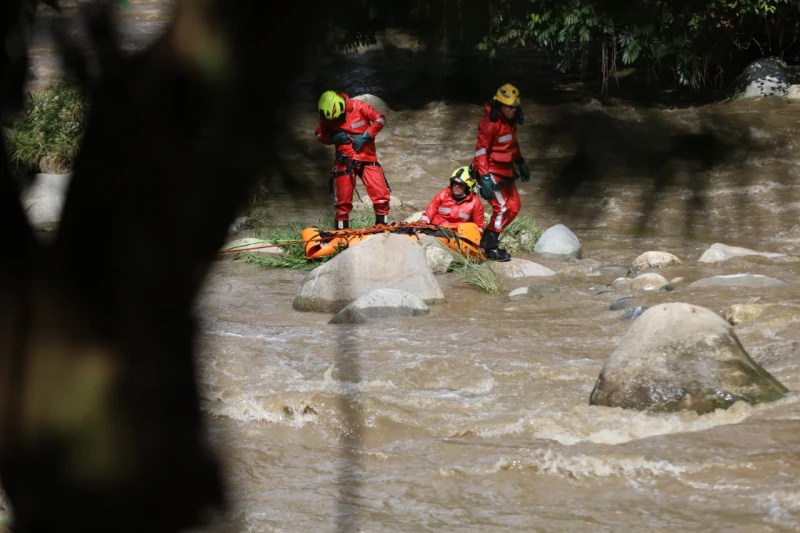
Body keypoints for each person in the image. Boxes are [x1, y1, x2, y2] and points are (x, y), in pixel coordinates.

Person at [471, 83, 530, 261]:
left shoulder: (509, 123)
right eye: (509, 107)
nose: (513, 110)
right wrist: (485, 177)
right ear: (500, 105)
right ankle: (491, 248)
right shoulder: (490, 123)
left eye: (514, 107)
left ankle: (486, 240)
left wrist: (520, 162)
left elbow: (512, 145)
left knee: (514, 208)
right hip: (490, 172)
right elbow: (481, 151)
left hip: (506, 172)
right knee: (502, 208)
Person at [315, 90, 391, 229]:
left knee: (381, 194)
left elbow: (380, 119)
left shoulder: (359, 106)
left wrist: (366, 135)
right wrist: (332, 139)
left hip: (367, 158)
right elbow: (319, 135)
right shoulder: (326, 115)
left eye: (337, 119)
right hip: (344, 161)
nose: (335, 122)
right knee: (342, 202)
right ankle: (341, 231)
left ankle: (382, 226)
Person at [420, 165, 485, 231]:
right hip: (436, 229)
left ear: (468, 187)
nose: (456, 186)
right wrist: (423, 224)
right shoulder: (443, 194)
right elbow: (429, 213)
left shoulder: (475, 203)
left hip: (458, 235)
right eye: (455, 183)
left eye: (461, 184)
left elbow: (479, 227)